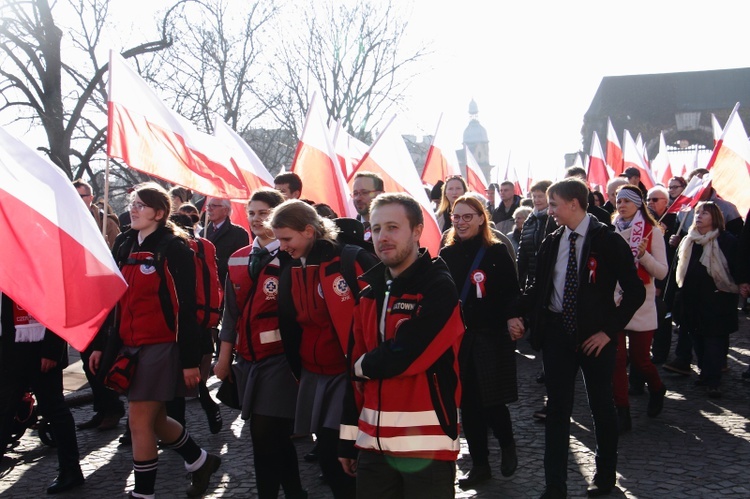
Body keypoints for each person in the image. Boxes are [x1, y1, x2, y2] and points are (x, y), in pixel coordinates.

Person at [89, 183, 221, 499]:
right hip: (129, 345)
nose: (133, 209)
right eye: (133, 203)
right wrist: (99, 343)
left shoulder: (175, 248)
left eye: (141, 205)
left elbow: (185, 309)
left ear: (159, 213)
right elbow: (113, 298)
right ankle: (201, 460)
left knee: (138, 422)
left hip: (163, 346)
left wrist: (190, 361)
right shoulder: (123, 243)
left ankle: (143, 494)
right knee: (157, 419)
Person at [520, 178, 645, 498]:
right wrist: (513, 312)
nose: (549, 211)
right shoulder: (551, 241)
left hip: (596, 337)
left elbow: (634, 292)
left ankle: (605, 476)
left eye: (553, 205)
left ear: (573, 204)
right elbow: (537, 288)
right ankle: (554, 485)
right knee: (557, 409)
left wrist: (609, 331)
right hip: (557, 335)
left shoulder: (608, 240)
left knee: (601, 405)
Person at [338, 193, 464, 498]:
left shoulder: (438, 286)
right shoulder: (368, 294)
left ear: (417, 230)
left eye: (393, 227)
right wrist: (347, 441)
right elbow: (352, 379)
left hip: (426, 447)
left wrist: (361, 366)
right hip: (372, 447)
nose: (383, 237)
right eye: (376, 228)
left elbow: (408, 355)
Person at [272, 200, 378, 499]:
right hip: (314, 376)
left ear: (309, 231)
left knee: (337, 457)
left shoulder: (349, 260)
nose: (282, 247)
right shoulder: (292, 269)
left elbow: (373, 317)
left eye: (287, 239)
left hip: (347, 379)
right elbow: (294, 324)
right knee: (332, 460)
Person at [214, 188, 307, 499]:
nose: (255, 218)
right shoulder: (238, 259)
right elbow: (231, 313)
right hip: (248, 362)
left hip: (282, 360)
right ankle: (295, 492)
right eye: (251, 212)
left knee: (263, 432)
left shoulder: (292, 258)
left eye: (264, 212)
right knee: (274, 437)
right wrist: (223, 357)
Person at [439, 194, 523, 488]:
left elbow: (512, 292)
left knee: (492, 400)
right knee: (469, 404)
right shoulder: (446, 254)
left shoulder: (496, 251)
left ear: (480, 219)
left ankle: (508, 444)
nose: (461, 222)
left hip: (491, 336)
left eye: (467, 217)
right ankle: (480, 464)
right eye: (456, 217)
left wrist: (513, 316)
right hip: (460, 338)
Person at [0, 295, 84, 494]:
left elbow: (58, 305)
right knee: (4, 407)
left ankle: (71, 470)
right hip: (11, 350)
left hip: (39, 352)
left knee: (54, 409)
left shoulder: (41, 265)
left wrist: (52, 351)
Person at [611, 185, 668, 433]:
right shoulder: (610, 231)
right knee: (616, 360)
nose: (621, 205)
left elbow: (662, 272)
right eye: (618, 201)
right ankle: (622, 410)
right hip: (615, 301)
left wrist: (644, 256)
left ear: (637, 203)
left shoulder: (651, 231)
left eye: (626, 201)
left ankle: (657, 388)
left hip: (641, 303)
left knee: (640, 359)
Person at [671, 202, 740, 398]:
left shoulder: (727, 241)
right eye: (697, 213)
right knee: (698, 338)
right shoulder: (689, 240)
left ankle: (713, 379)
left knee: (714, 340)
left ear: (715, 217)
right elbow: (678, 269)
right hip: (692, 299)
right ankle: (704, 372)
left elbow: (735, 268)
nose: (699, 216)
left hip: (718, 299)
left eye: (704, 213)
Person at [73, 178, 126, 432]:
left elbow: (116, 260)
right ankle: (101, 407)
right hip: (79, 294)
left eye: (82, 196)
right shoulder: (69, 219)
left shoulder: (107, 222)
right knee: (86, 358)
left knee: (100, 355)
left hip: (103, 297)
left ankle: (113, 407)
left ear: (91, 197)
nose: (78, 200)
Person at [199, 197, 250, 289]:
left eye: (214, 206)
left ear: (226, 210)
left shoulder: (239, 233)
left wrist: (212, 264)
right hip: (205, 285)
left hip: (225, 285)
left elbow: (238, 263)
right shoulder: (203, 233)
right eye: (208, 206)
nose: (209, 209)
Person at [351, 171, 385, 241]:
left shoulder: (395, 226)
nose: (358, 198)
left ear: (380, 195)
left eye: (364, 192)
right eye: (355, 193)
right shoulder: (349, 231)